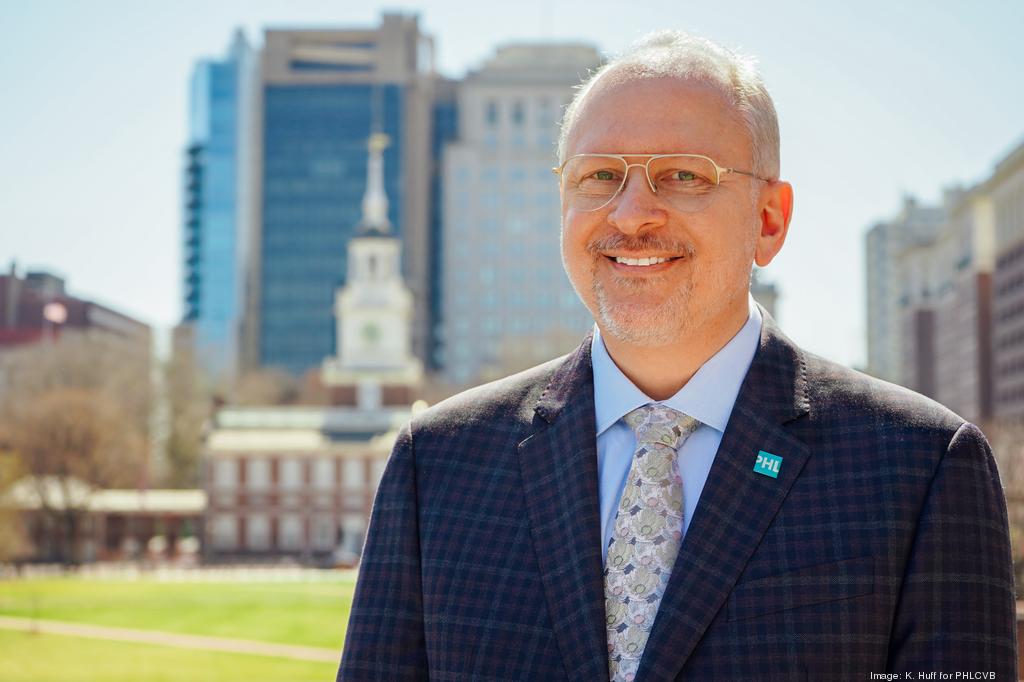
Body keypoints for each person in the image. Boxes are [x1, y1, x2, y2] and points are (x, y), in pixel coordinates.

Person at [337, 31, 1017, 681]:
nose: (632, 215)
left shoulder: (922, 467)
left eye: (684, 176)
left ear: (769, 220)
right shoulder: (438, 461)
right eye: (600, 175)